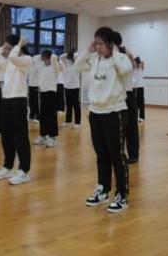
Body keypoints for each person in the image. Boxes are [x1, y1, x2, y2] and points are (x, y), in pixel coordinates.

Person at [75, 27, 133, 213]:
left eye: (101, 44)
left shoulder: (121, 58)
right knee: (101, 154)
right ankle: (103, 189)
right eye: (96, 43)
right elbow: (77, 67)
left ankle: (122, 194)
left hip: (114, 112)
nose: (98, 47)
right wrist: (88, 51)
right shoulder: (94, 59)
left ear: (110, 44)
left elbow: (126, 71)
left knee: (117, 155)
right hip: (95, 112)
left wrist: (114, 52)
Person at [0, 35, 33, 185]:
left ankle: (24, 171)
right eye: (6, 48)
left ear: (17, 47)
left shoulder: (26, 59)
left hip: (19, 100)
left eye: (9, 48)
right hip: (6, 100)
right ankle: (8, 166)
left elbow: (14, 57)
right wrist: (3, 47)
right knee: (6, 135)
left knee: (20, 136)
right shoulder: (8, 62)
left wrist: (18, 45)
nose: (6, 51)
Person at [114, 31, 138, 164]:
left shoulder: (122, 52)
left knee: (127, 127)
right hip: (123, 93)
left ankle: (131, 155)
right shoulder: (124, 51)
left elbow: (133, 66)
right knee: (124, 127)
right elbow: (133, 66)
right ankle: (125, 155)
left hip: (125, 94)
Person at [33, 50, 60, 148]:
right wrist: (42, 55)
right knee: (43, 115)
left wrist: (51, 55)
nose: (41, 57)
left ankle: (52, 138)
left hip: (51, 93)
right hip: (43, 93)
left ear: (48, 57)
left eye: (43, 55)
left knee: (51, 116)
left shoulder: (54, 67)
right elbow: (34, 59)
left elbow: (55, 57)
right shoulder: (41, 66)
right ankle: (43, 136)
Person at [61, 50, 81, 128]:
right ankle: (68, 121)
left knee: (76, 105)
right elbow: (61, 56)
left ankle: (77, 122)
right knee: (68, 105)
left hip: (75, 87)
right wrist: (69, 53)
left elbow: (77, 56)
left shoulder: (77, 64)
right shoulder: (67, 63)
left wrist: (73, 54)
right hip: (67, 86)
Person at [27, 54, 41, 123]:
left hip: (36, 86)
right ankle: (31, 116)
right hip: (30, 85)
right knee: (31, 102)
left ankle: (38, 117)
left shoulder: (37, 66)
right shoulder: (29, 66)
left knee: (36, 102)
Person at [133, 57, 146, 123]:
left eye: (138, 63)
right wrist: (134, 63)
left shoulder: (141, 68)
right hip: (134, 88)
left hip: (140, 87)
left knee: (141, 103)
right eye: (137, 63)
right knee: (135, 103)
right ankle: (135, 117)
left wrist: (139, 63)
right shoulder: (133, 69)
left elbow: (143, 62)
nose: (138, 65)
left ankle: (142, 117)